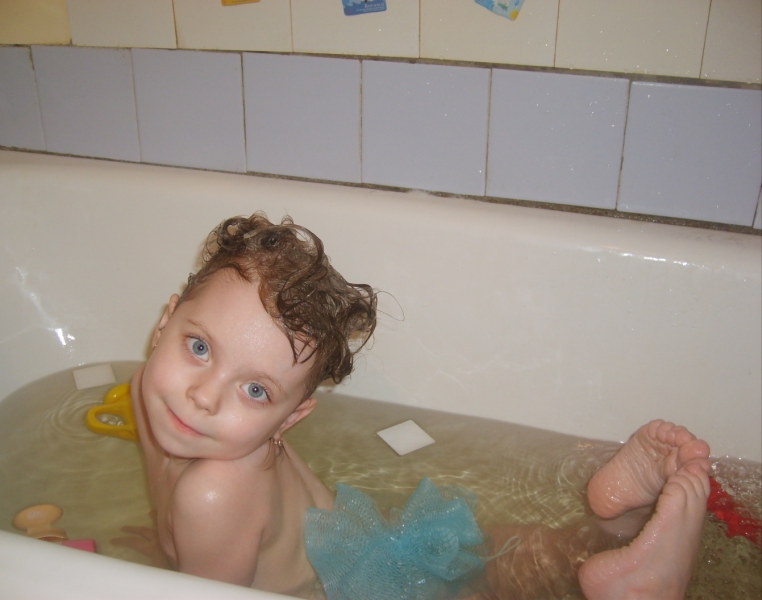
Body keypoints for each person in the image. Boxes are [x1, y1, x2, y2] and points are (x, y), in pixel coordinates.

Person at [115, 213, 712, 600]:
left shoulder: (211, 492)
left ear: (290, 419)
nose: (202, 396)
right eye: (199, 348)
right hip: (369, 543)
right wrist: (174, 548)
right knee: (488, 555)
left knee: (481, 579)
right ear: (165, 323)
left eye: (255, 391)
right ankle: (615, 523)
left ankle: (631, 575)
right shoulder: (158, 396)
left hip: (356, 590)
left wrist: (180, 560)